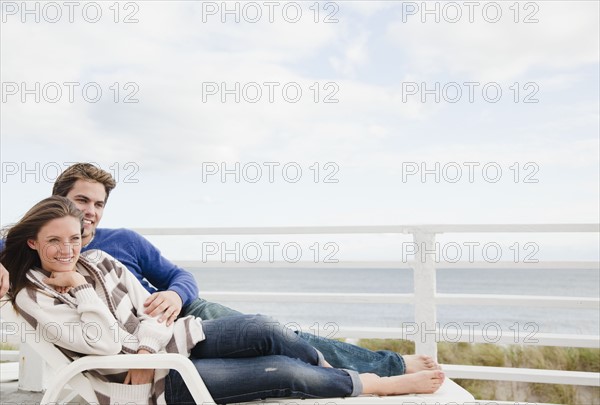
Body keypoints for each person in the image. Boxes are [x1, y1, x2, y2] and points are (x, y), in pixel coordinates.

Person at [0, 162, 439, 376]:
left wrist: (173, 294)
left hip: (190, 313)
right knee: (277, 343)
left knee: (284, 335)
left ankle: (387, 366)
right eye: (82, 201)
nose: (91, 212)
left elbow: (181, 277)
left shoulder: (126, 240)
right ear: (60, 202)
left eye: (99, 203)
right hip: (142, 340)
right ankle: (371, 371)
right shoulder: (42, 246)